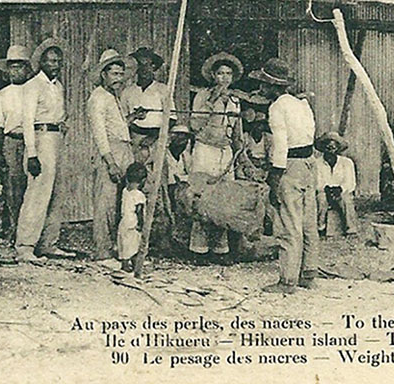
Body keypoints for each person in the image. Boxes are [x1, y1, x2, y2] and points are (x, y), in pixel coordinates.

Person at [254, 58, 317, 293]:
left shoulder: (277, 107)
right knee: (308, 221)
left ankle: (288, 280)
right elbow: (309, 134)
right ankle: (309, 273)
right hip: (309, 163)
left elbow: (280, 144)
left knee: (289, 223)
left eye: (264, 84)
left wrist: (275, 173)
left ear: (272, 86)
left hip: (290, 165)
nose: (261, 89)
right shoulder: (302, 104)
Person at [15, 39, 76, 261]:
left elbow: (59, 114)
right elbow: (27, 120)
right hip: (40, 140)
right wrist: (32, 153)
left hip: (56, 139)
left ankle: (48, 243)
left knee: (57, 193)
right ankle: (25, 246)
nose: (55, 65)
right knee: (37, 193)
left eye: (58, 61)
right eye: (50, 61)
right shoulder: (33, 85)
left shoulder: (58, 86)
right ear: (41, 62)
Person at [188, 52, 243, 262]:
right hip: (205, 150)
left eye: (228, 74)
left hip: (225, 153)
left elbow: (237, 131)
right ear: (213, 75)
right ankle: (198, 249)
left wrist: (240, 155)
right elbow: (194, 125)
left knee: (224, 199)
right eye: (220, 73)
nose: (225, 78)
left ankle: (220, 249)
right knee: (202, 198)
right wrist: (211, 101)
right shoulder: (203, 95)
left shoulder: (236, 100)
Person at [87, 49, 134, 262]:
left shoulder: (113, 97)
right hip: (110, 153)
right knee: (105, 203)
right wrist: (110, 162)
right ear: (103, 75)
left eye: (120, 74)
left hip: (124, 150)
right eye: (114, 74)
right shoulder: (98, 97)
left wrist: (132, 118)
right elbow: (100, 132)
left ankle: (116, 247)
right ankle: (102, 251)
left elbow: (117, 126)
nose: (118, 78)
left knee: (119, 202)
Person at [0, 45, 32, 246]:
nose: (16, 71)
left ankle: (30, 232)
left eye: (20, 67)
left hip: (32, 141)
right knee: (13, 188)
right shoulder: (1, 95)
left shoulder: (34, 91)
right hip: (11, 142)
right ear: (7, 71)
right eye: (12, 67)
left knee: (32, 187)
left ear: (27, 69)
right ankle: (15, 229)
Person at [123, 47, 176, 165]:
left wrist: (153, 137)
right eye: (141, 65)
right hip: (135, 137)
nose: (145, 69)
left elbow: (171, 119)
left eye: (149, 65)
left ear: (154, 67)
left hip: (157, 137)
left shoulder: (163, 89)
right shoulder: (128, 91)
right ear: (136, 68)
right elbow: (123, 119)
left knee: (159, 171)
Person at [313, 132, 358, 237]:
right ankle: (321, 228)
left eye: (333, 147)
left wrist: (340, 189)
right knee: (321, 199)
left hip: (341, 191)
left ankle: (351, 229)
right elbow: (316, 181)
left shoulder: (347, 163)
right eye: (327, 147)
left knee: (347, 199)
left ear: (337, 148)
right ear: (323, 148)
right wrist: (325, 188)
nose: (330, 150)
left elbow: (350, 182)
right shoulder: (316, 163)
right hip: (324, 191)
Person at [117, 162, 148, 273]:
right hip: (133, 222)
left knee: (125, 243)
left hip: (124, 221)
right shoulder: (139, 195)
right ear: (143, 180)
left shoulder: (125, 191)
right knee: (134, 244)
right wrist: (141, 223)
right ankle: (135, 264)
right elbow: (139, 211)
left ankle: (124, 264)